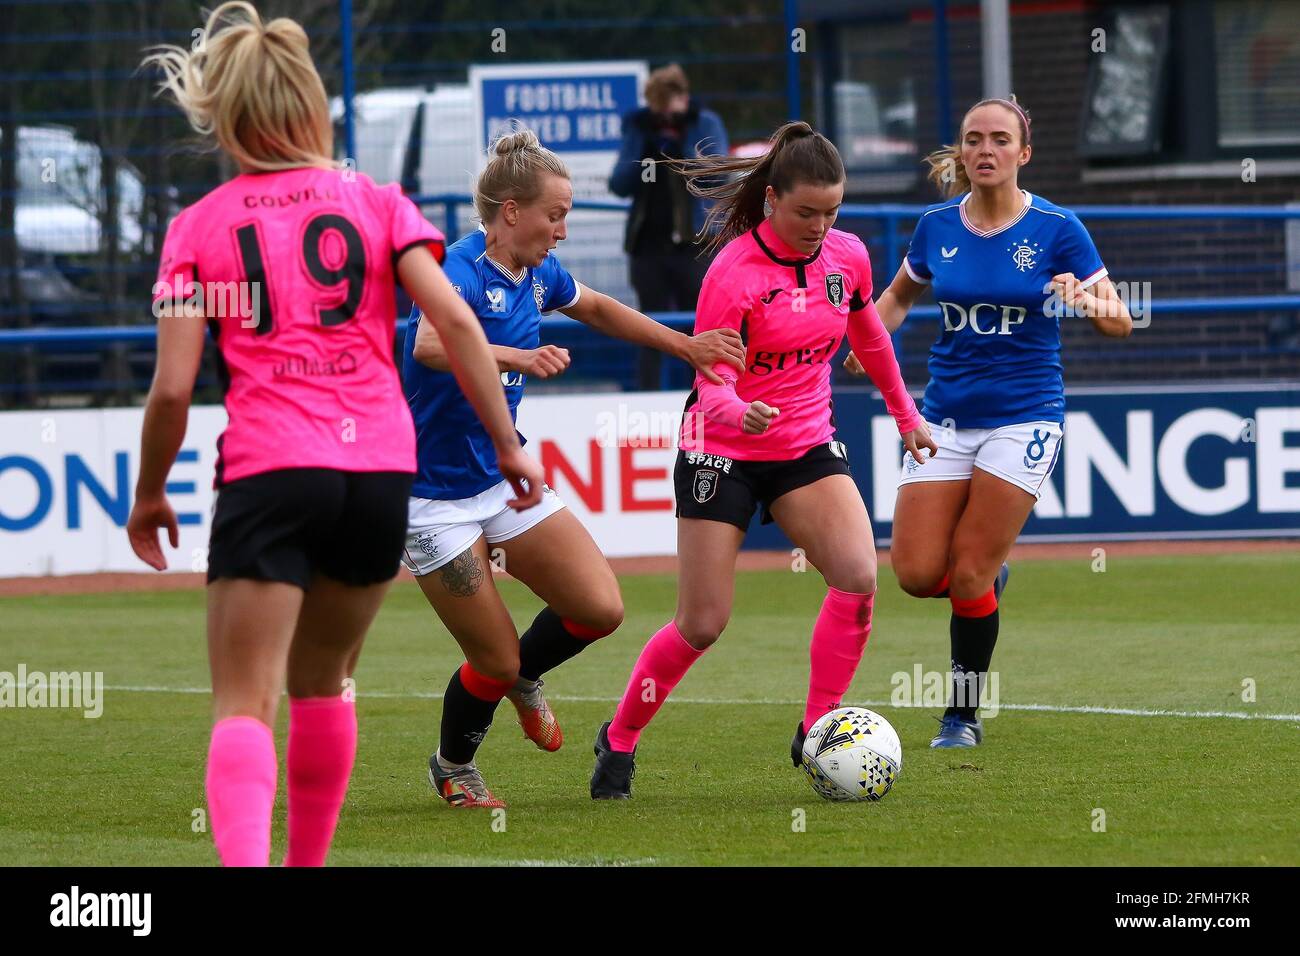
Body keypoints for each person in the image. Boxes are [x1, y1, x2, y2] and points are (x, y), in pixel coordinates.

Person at [126, 2, 541, 865]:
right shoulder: (377, 203)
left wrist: (150, 491)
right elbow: (460, 329)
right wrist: (508, 444)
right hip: (379, 477)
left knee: (245, 701)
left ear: (227, 114)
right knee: (324, 686)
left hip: (271, 467)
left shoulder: (197, 228)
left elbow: (171, 389)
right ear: (312, 106)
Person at [588, 121, 937, 799]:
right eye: (806, 211)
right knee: (702, 623)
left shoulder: (848, 257)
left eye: (831, 212)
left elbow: (869, 337)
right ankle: (620, 738)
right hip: (721, 446)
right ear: (772, 199)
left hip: (804, 443)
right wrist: (734, 410)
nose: (819, 225)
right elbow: (709, 378)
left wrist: (907, 417)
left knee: (859, 576)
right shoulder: (733, 271)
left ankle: (816, 731)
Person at [403, 127, 746, 807]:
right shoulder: (458, 267)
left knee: (597, 608)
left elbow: (595, 308)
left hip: (501, 476)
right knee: (492, 659)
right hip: (431, 497)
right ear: (510, 212)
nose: (562, 230)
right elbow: (432, 346)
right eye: (554, 215)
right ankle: (455, 766)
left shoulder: (536, 274)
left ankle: (526, 675)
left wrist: (689, 347)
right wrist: (516, 357)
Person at [844, 96, 1132, 748]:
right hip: (944, 415)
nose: (985, 150)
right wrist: (866, 344)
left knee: (967, 573)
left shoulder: (1059, 228)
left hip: (1024, 417)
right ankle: (988, 583)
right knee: (918, 575)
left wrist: (1084, 298)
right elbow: (895, 298)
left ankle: (962, 715)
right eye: (974, 139)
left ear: (1023, 154)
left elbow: (1120, 321)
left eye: (1000, 140)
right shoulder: (936, 224)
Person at [609, 63, 729, 388]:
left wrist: (682, 149)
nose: (664, 117)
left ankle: (706, 398)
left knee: (700, 324)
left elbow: (719, 174)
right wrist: (647, 152)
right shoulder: (639, 126)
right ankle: (647, 400)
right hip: (647, 247)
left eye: (669, 108)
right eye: (657, 109)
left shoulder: (704, 122)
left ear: (684, 98)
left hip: (693, 245)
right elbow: (619, 184)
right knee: (650, 326)